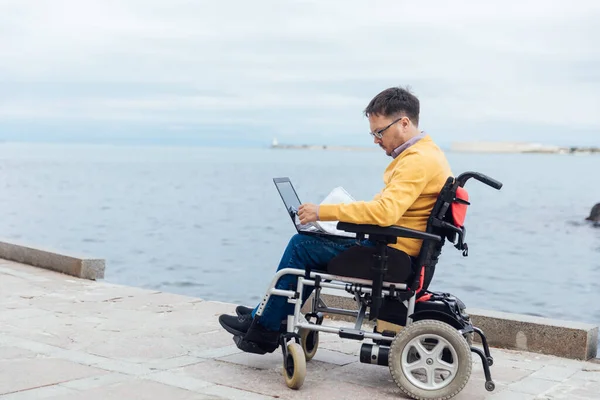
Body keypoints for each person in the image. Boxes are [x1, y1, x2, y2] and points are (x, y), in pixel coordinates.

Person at [218, 86, 453, 346]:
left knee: (302, 245)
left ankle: (263, 329)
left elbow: (386, 212)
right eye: (373, 133)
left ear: (404, 123)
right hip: (394, 248)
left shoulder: (416, 160)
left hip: (391, 257)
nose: (376, 140)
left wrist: (322, 211)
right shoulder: (428, 153)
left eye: (380, 132)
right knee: (312, 242)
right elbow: (391, 209)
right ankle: (266, 315)